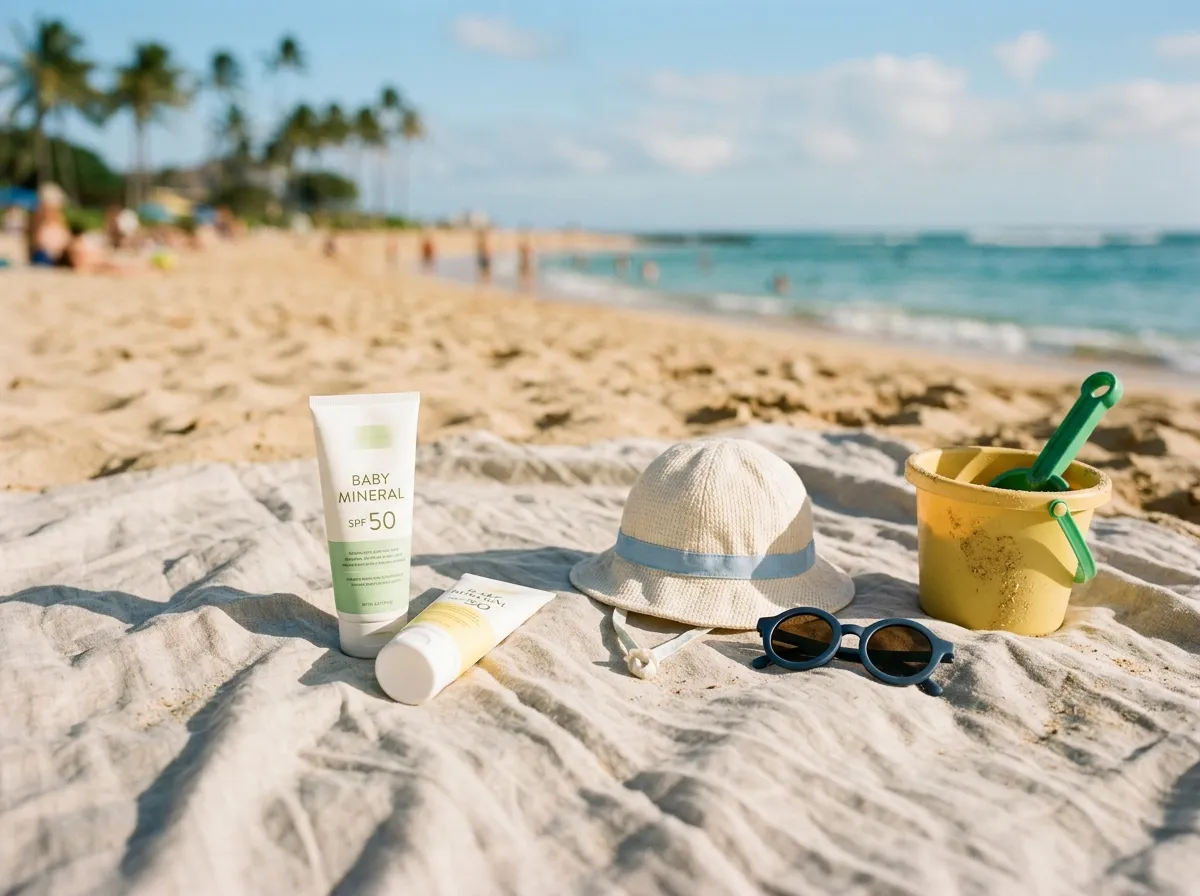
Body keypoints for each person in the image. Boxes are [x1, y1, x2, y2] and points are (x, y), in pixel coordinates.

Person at [26, 183, 72, 266]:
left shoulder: (58, 219)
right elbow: (37, 241)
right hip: (45, 257)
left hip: (53, 255)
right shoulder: (39, 220)